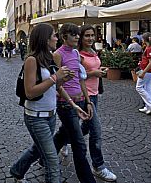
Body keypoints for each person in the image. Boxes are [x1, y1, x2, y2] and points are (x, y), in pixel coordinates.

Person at [10, 23, 79, 183]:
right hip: (36, 117)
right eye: (54, 35)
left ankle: (17, 171)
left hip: (51, 116)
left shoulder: (49, 57)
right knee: (52, 160)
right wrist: (55, 77)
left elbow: (55, 86)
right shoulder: (31, 60)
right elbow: (30, 91)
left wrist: (71, 101)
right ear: (45, 39)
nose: (57, 38)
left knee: (37, 150)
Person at [53, 23, 96, 183]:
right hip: (65, 104)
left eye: (78, 34)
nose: (78, 37)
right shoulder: (57, 55)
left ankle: (43, 158)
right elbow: (56, 83)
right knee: (79, 143)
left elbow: (81, 79)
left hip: (80, 101)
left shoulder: (77, 53)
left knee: (62, 134)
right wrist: (63, 79)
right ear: (64, 37)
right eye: (74, 34)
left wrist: (88, 101)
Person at [78, 25, 117, 182]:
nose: (90, 38)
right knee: (96, 131)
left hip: (94, 95)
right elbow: (77, 76)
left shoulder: (93, 51)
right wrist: (93, 73)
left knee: (83, 128)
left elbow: (94, 69)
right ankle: (98, 166)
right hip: (84, 96)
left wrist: (100, 70)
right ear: (80, 37)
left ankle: (61, 142)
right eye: (87, 35)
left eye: (92, 35)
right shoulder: (78, 55)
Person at [136, 32, 151, 115]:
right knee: (147, 87)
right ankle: (148, 107)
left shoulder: (149, 48)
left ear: (144, 39)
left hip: (148, 72)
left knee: (139, 87)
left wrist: (143, 72)